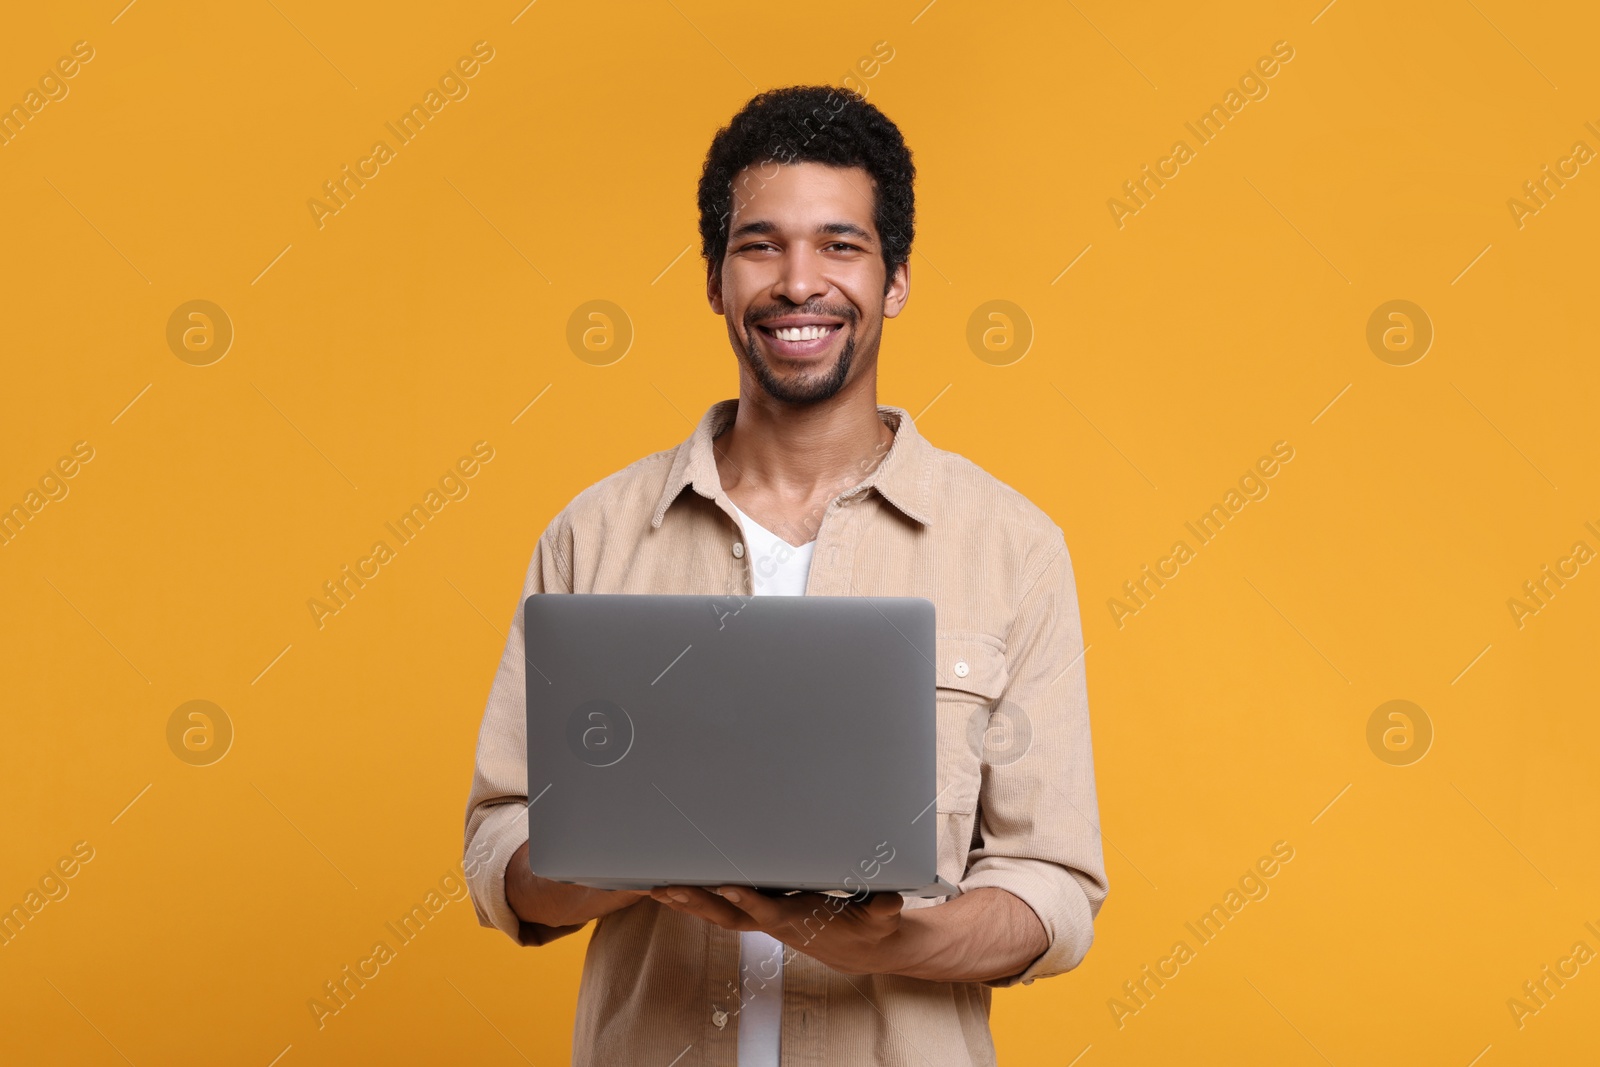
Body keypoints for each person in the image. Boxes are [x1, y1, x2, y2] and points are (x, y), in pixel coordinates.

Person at [462, 84, 1107, 1066]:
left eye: (840, 245)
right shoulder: (592, 535)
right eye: (760, 244)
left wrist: (891, 938)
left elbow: (1052, 887)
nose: (798, 281)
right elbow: (498, 853)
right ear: (715, 279)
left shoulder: (1012, 547)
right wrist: (623, 858)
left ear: (895, 280)